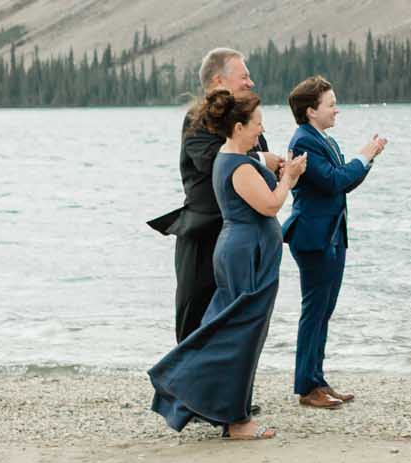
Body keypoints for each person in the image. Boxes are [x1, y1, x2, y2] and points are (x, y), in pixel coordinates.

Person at [148, 90, 306, 439]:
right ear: (237, 127)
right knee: (240, 331)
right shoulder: (236, 165)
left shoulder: (236, 156)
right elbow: (269, 205)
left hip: (247, 250)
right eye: (257, 124)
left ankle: (222, 408)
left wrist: (279, 163)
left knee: (235, 328)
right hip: (245, 252)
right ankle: (231, 417)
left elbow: (261, 162)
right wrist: (290, 178)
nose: (260, 130)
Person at [147, 46, 278, 343]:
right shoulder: (197, 119)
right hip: (204, 235)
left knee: (235, 319)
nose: (250, 82)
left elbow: (265, 172)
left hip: (240, 239)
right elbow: (213, 161)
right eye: (244, 76)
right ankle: (179, 388)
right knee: (194, 319)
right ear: (219, 80)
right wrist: (261, 161)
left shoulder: (248, 124)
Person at [283, 74, 387, 410]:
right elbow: (333, 181)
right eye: (330, 104)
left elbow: (343, 182)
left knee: (324, 310)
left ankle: (317, 378)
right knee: (314, 311)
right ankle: (306, 386)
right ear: (312, 111)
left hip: (332, 234)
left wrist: (367, 160)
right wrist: (363, 156)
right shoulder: (304, 141)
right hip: (312, 237)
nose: (336, 110)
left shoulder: (323, 139)